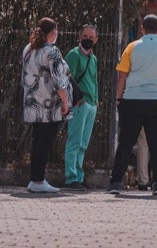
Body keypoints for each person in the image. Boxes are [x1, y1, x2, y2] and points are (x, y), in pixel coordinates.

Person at [108, 14, 157, 195]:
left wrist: (119, 98)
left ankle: (115, 183)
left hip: (132, 100)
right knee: (156, 144)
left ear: (142, 28)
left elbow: (122, 76)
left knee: (125, 142)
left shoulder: (132, 47)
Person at [20, 16, 72, 193]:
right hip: (50, 105)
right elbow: (59, 80)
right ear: (53, 32)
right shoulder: (52, 51)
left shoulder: (28, 49)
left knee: (37, 141)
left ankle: (35, 178)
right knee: (45, 142)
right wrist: (65, 102)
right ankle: (38, 180)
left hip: (33, 102)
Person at [62, 24, 99, 190]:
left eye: (91, 37)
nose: (88, 40)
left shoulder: (94, 58)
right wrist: (73, 100)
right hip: (79, 104)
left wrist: (96, 101)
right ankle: (71, 178)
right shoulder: (74, 55)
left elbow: (95, 80)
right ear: (79, 37)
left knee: (83, 143)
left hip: (91, 104)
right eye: (85, 36)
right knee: (74, 141)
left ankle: (79, 175)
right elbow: (66, 78)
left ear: (96, 40)